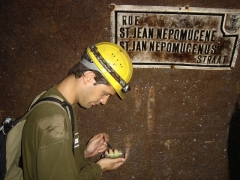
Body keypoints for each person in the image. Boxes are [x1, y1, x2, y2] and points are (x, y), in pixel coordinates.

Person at [21, 42, 133, 180]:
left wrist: (83, 154)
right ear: (89, 77)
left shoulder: (55, 101)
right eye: (105, 93)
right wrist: (99, 168)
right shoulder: (55, 121)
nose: (104, 101)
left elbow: (53, 164)